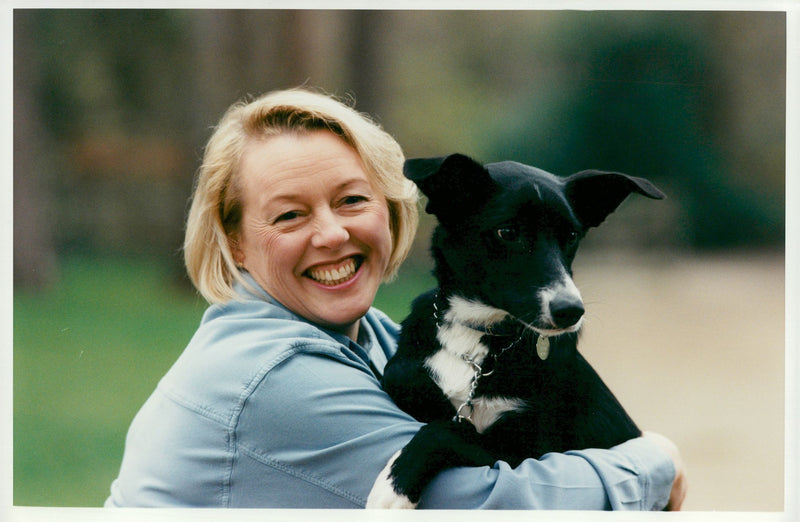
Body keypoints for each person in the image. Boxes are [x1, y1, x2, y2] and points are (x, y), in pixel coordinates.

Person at [105, 87, 687, 509]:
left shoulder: (377, 335)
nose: (332, 233)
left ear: (390, 208)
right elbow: (480, 505)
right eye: (289, 214)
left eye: (352, 200)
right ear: (233, 241)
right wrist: (653, 461)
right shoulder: (274, 374)